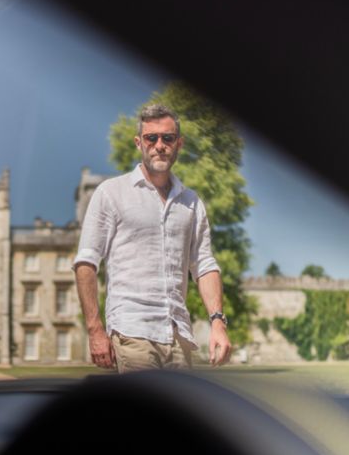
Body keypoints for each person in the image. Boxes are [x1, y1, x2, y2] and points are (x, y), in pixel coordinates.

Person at [73, 104, 232, 372]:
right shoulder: (112, 192)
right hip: (131, 330)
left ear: (178, 143)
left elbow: (204, 265)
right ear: (139, 143)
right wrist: (95, 329)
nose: (160, 145)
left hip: (178, 334)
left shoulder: (191, 202)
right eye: (151, 138)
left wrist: (218, 322)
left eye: (167, 138)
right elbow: (86, 263)